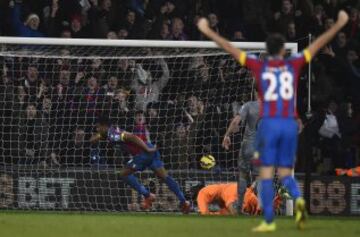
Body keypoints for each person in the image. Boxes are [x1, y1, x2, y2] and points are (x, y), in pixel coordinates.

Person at [197, 10, 349, 232]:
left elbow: (231, 49)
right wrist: (338, 25)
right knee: (284, 173)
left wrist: (208, 31)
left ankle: (267, 219)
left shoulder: (260, 69)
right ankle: (297, 207)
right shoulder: (294, 63)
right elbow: (317, 45)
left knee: (266, 173)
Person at [90, 117, 191, 213]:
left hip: (143, 153)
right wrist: (99, 135)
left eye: (98, 127)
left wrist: (146, 149)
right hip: (149, 149)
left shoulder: (113, 134)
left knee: (123, 174)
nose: (97, 129)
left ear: (104, 126)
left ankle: (148, 195)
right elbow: (92, 139)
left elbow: (132, 137)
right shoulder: (109, 132)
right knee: (165, 177)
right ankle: (184, 201)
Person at [222, 89, 260, 211]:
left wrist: (227, 135)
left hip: (248, 145)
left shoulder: (249, 105)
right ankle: (260, 206)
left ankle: (239, 207)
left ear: (255, 92)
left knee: (243, 175)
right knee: (259, 177)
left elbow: (235, 121)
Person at [195, 182, 281, 216]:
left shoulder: (231, 193)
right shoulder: (231, 193)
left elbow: (233, 211)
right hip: (243, 196)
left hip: (244, 196)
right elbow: (233, 210)